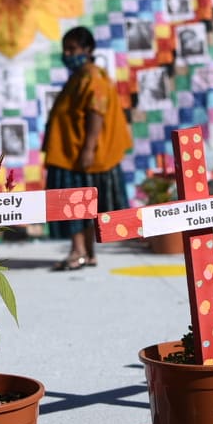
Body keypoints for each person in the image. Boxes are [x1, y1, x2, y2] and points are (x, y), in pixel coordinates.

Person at [42, 27, 132, 270]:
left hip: (78, 154)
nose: (67, 54)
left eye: (73, 49)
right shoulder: (80, 76)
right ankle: (87, 252)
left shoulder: (92, 77)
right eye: (65, 49)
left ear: (88, 50)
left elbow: (96, 112)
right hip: (69, 150)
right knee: (83, 205)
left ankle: (78, 252)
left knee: (73, 205)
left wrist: (88, 149)